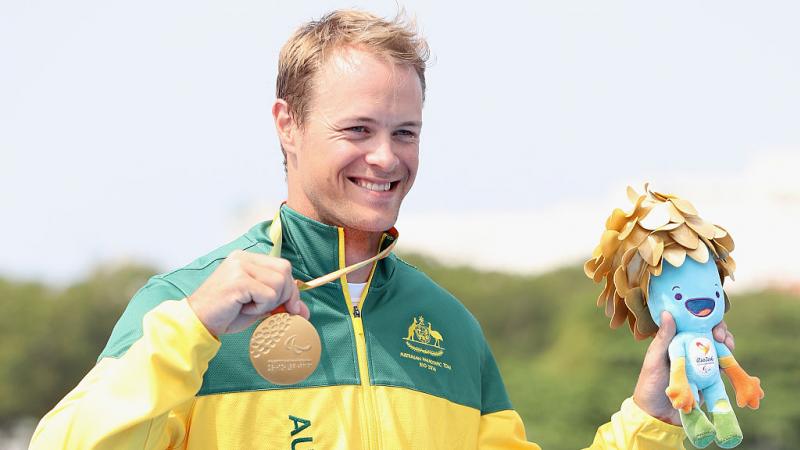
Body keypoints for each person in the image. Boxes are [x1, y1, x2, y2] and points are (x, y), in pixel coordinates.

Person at [30, 9, 734, 449]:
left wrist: (652, 419)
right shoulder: (183, 308)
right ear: (288, 125)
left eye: (405, 132)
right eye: (357, 129)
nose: (386, 158)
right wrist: (192, 331)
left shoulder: (449, 326)